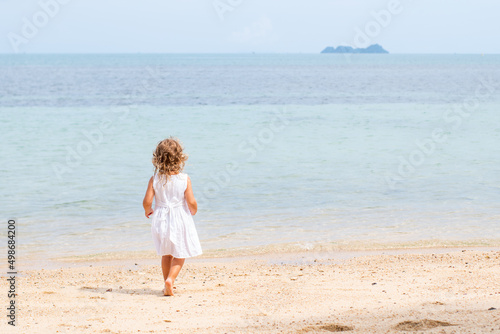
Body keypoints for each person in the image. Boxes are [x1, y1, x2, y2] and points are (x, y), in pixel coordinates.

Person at [143, 137, 202, 296]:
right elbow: (191, 201)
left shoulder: (154, 179)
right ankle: (171, 280)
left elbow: (147, 201)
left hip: (161, 219)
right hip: (179, 218)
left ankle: (165, 284)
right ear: (180, 158)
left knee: (166, 253)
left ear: (158, 158)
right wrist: (194, 209)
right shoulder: (184, 179)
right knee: (180, 253)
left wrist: (148, 210)